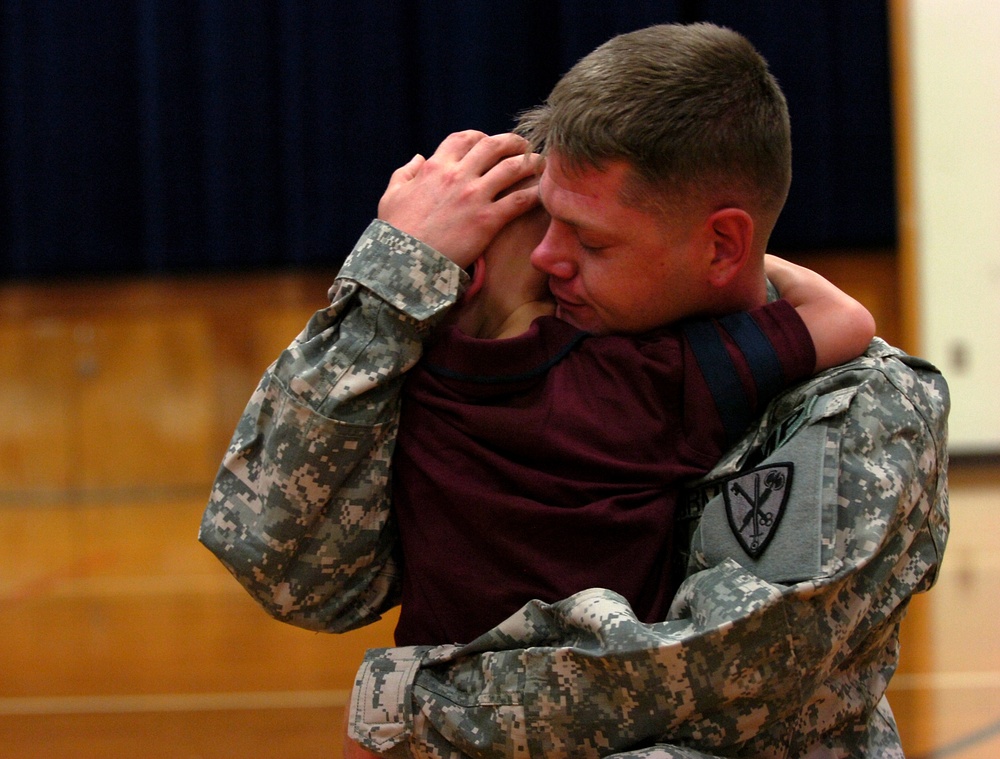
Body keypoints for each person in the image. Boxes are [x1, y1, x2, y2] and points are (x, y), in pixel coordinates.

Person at [200, 22, 949, 758]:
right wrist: (393, 279)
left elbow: (728, 671)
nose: (554, 258)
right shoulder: (520, 358)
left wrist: (410, 712)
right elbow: (284, 563)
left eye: (591, 240)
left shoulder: (865, 403)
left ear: (723, 242)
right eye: (548, 220)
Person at [390, 193, 873, 648]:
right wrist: (741, 257)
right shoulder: (642, 377)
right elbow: (843, 318)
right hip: (610, 711)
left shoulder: (400, 382)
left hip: (438, 707)